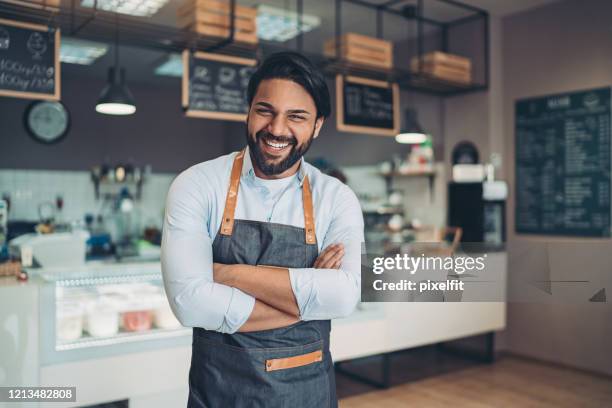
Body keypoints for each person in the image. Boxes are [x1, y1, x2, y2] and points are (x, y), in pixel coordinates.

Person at [161, 51, 364, 407]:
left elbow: (345, 297)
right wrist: (306, 301)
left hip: (307, 394)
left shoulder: (337, 198)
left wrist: (228, 274)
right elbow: (190, 305)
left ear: (317, 125)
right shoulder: (197, 184)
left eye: (296, 116)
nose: (277, 129)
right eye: (265, 110)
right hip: (221, 393)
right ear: (249, 110)